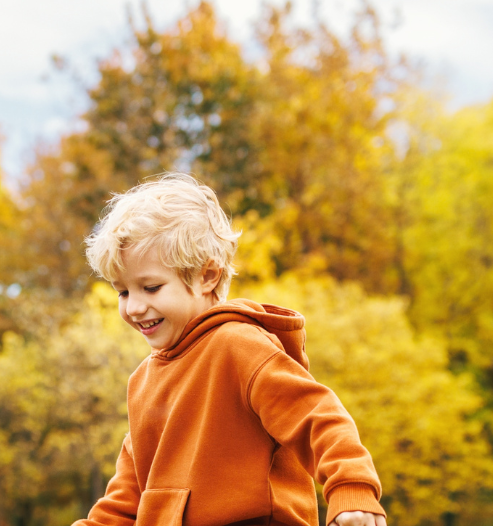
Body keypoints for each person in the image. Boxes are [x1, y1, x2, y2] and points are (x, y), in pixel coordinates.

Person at [74, 174, 386, 526]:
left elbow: (316, 416)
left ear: (207, 276)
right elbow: (128, 496)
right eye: (123, 292)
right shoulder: (143, 382)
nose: (134, 307)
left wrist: (351, 485)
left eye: (151, 287)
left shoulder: (236, 345)